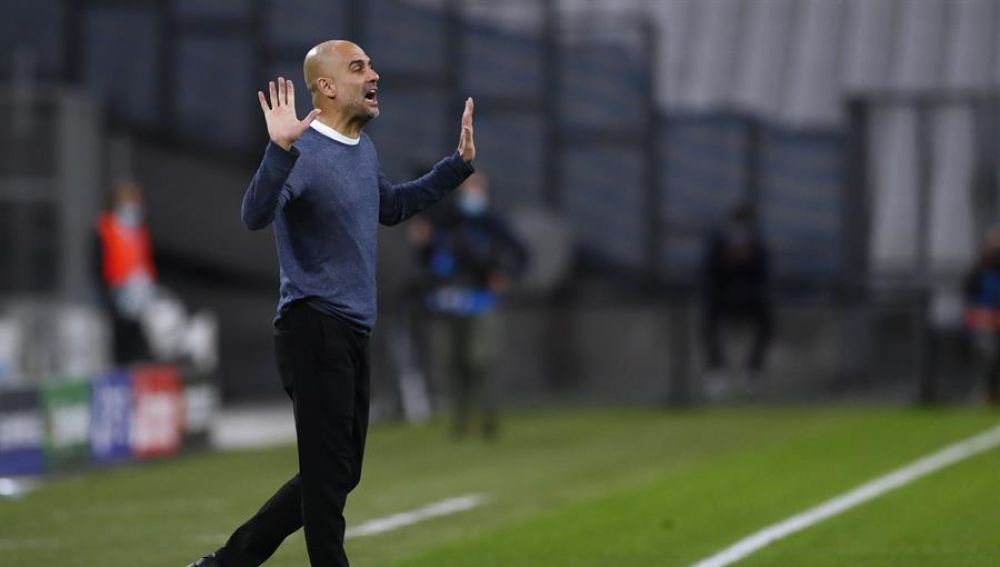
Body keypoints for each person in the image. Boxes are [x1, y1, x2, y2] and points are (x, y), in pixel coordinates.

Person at [188, 39, 475, 567]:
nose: (375, 75)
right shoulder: (302, 153)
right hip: (313, 326)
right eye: (359, 67)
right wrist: (278, 151)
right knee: (326, 480)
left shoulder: (361, 149)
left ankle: (227, 564)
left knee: (340, 472)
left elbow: (391, 206)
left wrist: (455, 167)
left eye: (372, 65)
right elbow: (254, 215)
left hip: (351, 329)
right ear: (326, 86)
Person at [410, 173, 527, 438]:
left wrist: (505, 276)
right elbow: (428, 259)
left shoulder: (493, 223)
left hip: (480, 300)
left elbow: (519, 253)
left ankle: (487, 415)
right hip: (448, 302)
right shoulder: (446, 222)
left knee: (480, 359)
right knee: (452, 361)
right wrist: (422, 245)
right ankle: (459, 417)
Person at [701, 202, 772, 397]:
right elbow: (708, 271)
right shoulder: (718, 242)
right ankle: (716, 370)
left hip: (749, 297)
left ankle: (754, 370)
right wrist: (729, 259)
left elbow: (764, 273)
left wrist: (748, 259)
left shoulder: (756, 243)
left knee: (767, 321)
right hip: (722, 297)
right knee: (708, 320)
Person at [95, 180, 156, 364]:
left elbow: (144, 258)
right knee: (120, 335)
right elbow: (99, 261)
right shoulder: (105, 228)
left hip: (139, 289)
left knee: (140, 333)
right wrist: (108, 289)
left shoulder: (139, 229)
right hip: (116, 290)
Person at [963, 225, 1000, 406]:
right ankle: (988, 393)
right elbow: (969, 300)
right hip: (985, 324)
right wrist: (984, 317)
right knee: (989, 356)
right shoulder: (978, 271)